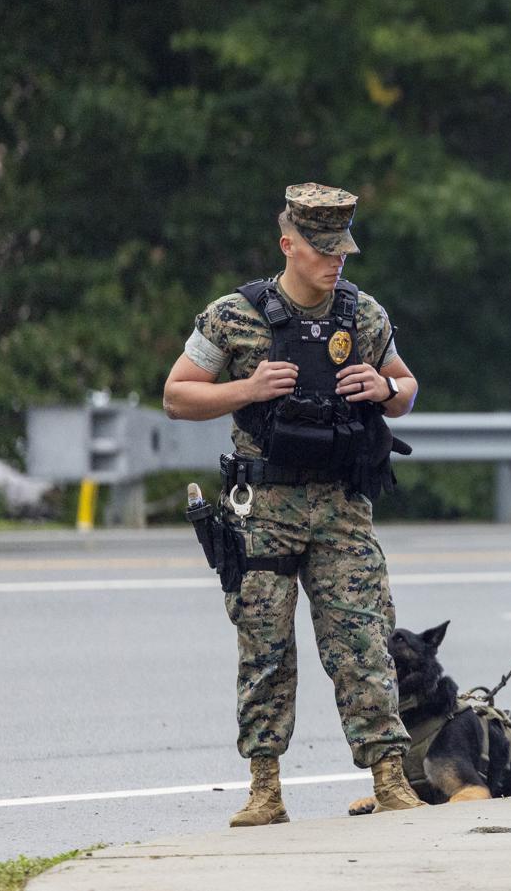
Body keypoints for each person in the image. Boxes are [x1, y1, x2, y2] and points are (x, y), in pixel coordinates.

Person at [162, 183, 424, 825]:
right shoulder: (234, 315)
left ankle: (391, 779)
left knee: (363, 642)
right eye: (322, 249)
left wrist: (384, 387)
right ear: (288, 244)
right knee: (265, 649)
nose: (336, 261)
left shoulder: (362, 315)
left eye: (342, 250)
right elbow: (176, 394)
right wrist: (246, 389)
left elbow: (407, 388)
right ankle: (265, 789)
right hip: (264, 508)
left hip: (342, 507)